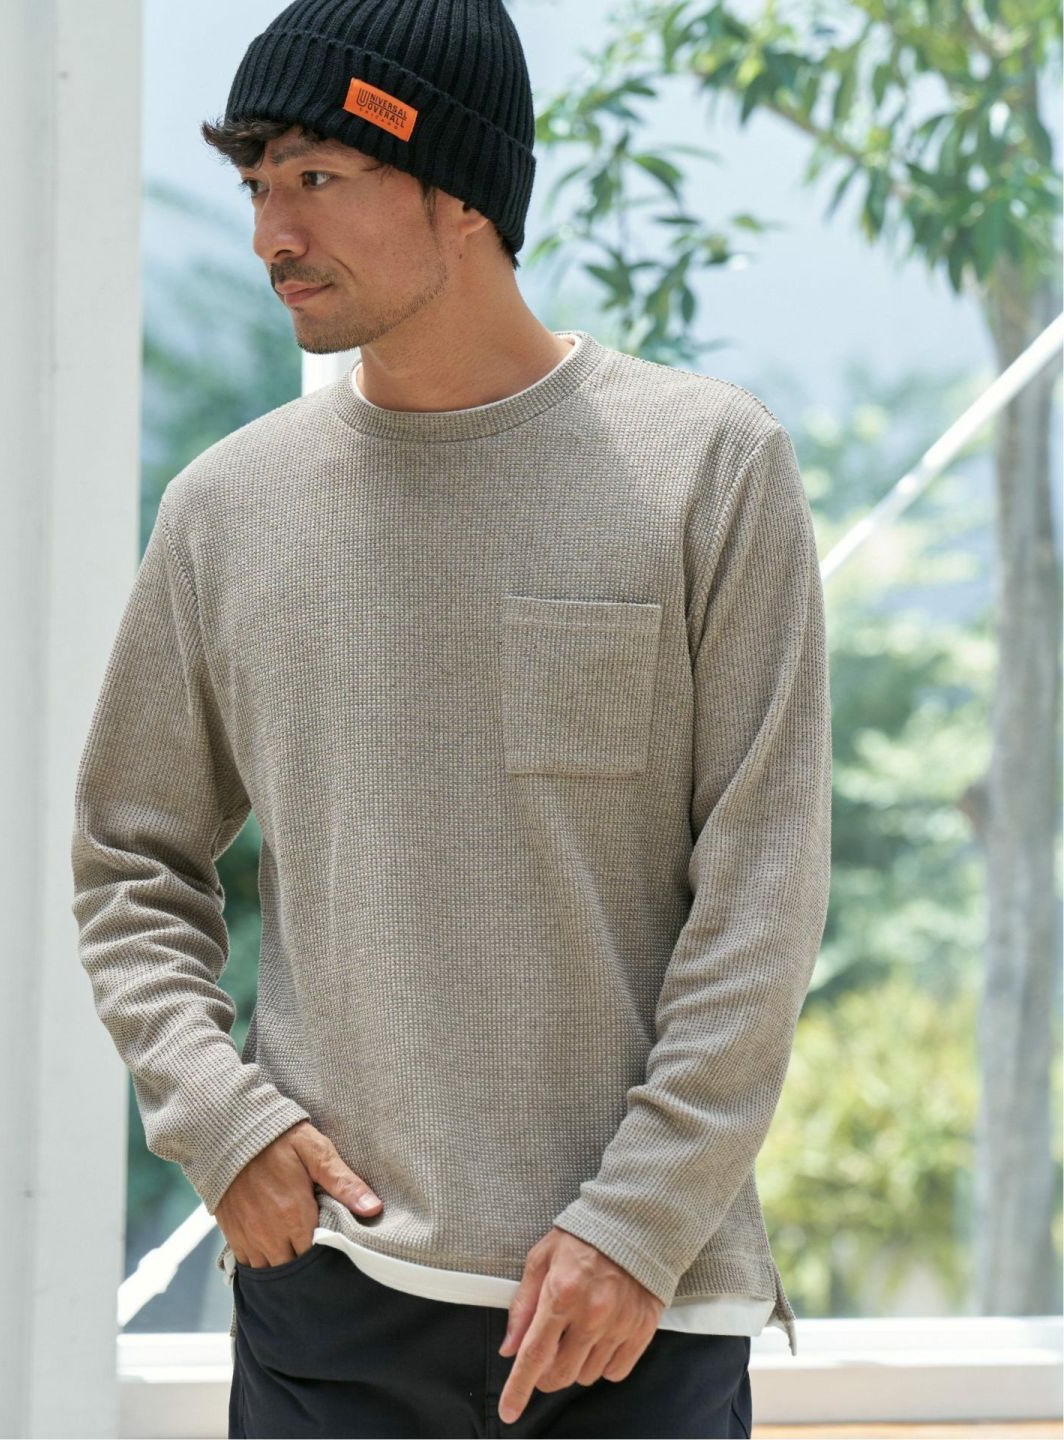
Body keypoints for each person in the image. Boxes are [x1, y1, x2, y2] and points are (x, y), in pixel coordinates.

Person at [70, 1, 833, 1435]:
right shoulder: (228, 510)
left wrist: (638, 1220)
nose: (272, 233)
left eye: (317, 177)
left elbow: (763, 893)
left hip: (634, 1309)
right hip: (331, 1295)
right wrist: (220, 1118)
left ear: (461, 188)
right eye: (259, 186)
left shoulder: (709, 471)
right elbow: (129, 854)